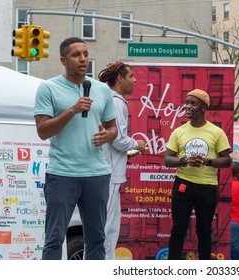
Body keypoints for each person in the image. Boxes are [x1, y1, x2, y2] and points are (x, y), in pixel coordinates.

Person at [34, 37, 118, 260]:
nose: (83, 59)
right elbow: (42, 131)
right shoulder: (48, 88)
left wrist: (106, 135)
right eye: (76, 55)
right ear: (63, 60)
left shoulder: (101, 90)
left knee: (97, 239)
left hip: (97, 174)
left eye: (85, 54)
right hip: (62, 174)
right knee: (54, 238)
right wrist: (72, 110)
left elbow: (113, 128)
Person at [164, 89, 231, 260]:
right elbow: (167, 160)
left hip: (207, 187)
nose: (188, 106)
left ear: (203, 108)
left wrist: (207, 161)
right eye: (187, 102)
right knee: (178, 229)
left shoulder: (216, 132)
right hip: (183, 184)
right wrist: (184, 160)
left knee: (204, 231)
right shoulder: (179, 131)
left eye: (193, 103)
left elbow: (227, 161)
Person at [98, 61, 146, 260]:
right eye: (131, 76)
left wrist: (127, 152)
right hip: (109, 174)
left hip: (108, 170)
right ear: (119, 78)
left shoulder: (110, 99)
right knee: (107, 229)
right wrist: (138, 144)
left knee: (108, 227)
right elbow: (117, 139)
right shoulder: (116, 101)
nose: (135, 80)